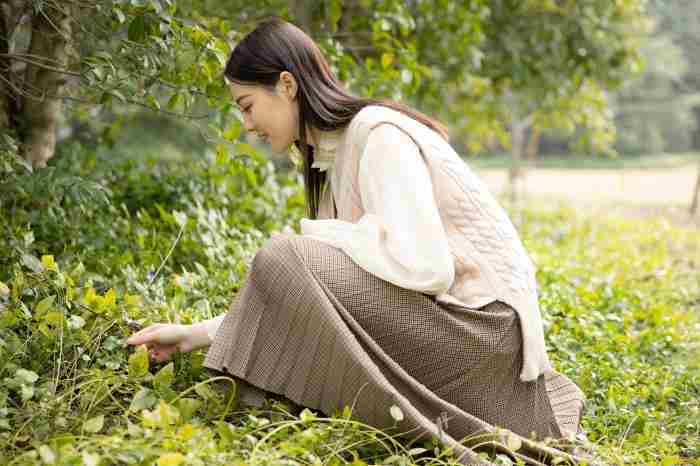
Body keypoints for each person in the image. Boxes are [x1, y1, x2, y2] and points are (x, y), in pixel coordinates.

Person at [127, 17, 589, 465]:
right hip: (453, 329)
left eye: (247, 105)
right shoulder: (330, 160)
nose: (247, 124)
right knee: (289, 266)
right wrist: (194, 335)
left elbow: (428, 267)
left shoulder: (379, 133)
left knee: (284, 256)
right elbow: (323, 297)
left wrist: (320, 237)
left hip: (482, 336)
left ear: (286, 86)